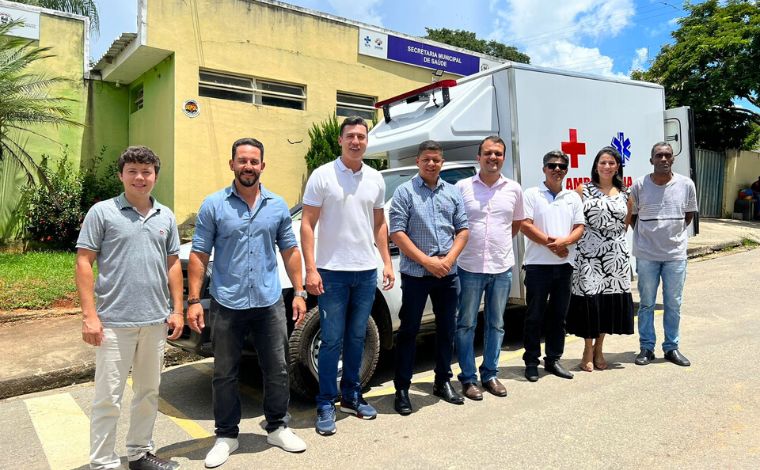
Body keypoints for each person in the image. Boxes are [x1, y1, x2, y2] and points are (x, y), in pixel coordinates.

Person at [187, 138, 307, 468]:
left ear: (262, 166)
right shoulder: (214, 205)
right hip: (228, 302)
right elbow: (199, 253)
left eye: (254, 161)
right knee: (225, 372)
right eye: (242, 160)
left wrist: (299, 291)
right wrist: (195, 300)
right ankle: (226, 435)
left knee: (278, 368)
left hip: (269, 302)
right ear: (232, 164)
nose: (248, 166)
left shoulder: (278, 206)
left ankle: (278, 426)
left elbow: (290, 251)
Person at [76, 146, 183, 470]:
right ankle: (103, 463)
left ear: (155, 176)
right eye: (133, 171)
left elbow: (173, 264)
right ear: (121, 175)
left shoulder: (165, 216)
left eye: (146, 171)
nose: (140, 177)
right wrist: (89, 316)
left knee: (149, 392)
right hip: (114, 323)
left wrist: (177, 309)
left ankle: (139, 453)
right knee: (108, 398)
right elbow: (84, 261)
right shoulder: (103, 213)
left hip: (154, 321)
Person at [300, 116, 394, 435]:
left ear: (367, 141)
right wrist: (310, 269)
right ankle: (326, 402)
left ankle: (352, 396)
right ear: (340, 140)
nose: (356, 141)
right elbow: (307, 224)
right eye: (350, 136)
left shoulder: (375, 179)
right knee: (331, 340)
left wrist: (387, 263)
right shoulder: (323, 175)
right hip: (332, 273)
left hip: (366, 272)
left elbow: (380, 224)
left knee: (357, 337)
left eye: (361, 136)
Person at [389, 140, 469, 414]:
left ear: (441, 162)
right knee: (409, 331)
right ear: (418, 161)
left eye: (436, 160)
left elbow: (463, 230)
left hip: (447, 273)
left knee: (447, 328)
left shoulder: (453, 192)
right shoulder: (404, 192)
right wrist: (426, 261)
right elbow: (397, 232)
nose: (431, 164)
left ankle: (442, 381)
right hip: (416, 274)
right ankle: (401, 388)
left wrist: (447, 261)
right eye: (426, 159)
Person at [454, 136, 524, 400]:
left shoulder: (514, 189)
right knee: (466, 324)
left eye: (498, 153)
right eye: (488, 153)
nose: (493, 158)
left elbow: (515, 225)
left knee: (496, 324)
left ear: (503, 157)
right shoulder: (462, 187)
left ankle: (491, 374)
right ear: (478, 157)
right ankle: (468, 378)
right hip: (469, 266)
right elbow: (454, 224)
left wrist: (498, 245)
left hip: (501, 267)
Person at [566, 147, 634, 372]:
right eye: (603, 162)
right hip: (588, 255)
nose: (607, 166)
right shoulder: (583, 190)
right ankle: (587, 348)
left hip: (615, 255)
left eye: (611, 163)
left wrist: (611, 243)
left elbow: (625, 223)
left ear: (617, 167)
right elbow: (575, 221)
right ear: (596, 166)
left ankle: (599, 348)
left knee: (607, 302)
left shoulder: (625, 193)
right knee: (589, 302)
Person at [630, 141, 697, 367]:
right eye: (659, 155)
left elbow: (688, 216)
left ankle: (671, 348)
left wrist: (671, 235)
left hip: (675, 255)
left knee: (673, 303)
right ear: (651, 160)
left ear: (673, 159)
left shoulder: (686, 185)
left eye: (667, 155)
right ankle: (646, 347)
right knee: (647, 303)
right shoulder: (639, 186)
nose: (664, 159)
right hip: (647, 254)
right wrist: (649, 236)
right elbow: (633, 218)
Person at [520, 150, 585, 382]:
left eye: (561, 166)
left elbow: (579, 227)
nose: (557, 169)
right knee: (534, 315)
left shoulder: (573, 197)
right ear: (544, 168)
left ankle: (553, 359)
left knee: (559, 316)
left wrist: (564, 243)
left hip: (564, 265)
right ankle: (530, 361)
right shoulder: (531, 194)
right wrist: (553, 244)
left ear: (566, 170)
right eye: (552, 165)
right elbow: (525, 225)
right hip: (538, 266)